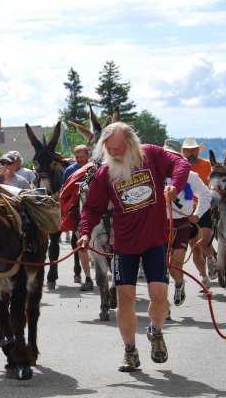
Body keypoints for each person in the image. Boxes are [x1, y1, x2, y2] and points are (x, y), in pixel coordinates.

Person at [77, 122, 190, 372]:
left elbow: (181, 164)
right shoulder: (105, 172)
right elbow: (92, 208)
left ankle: (155, 331)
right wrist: (85, 233)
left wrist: (175, 185)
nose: (113, 153)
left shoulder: (152, 155)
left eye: (117, 148)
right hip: (124, 245)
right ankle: (130, 351)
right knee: (125, 298)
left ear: (131, 144)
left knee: (159, 297)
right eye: (108, 149)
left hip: (155, 241)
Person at [162, 139, 211, 307]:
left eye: (171, 155)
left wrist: (197, 214)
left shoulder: (190, 176)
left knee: (175, 265)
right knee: (160, 265)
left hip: (182, 224)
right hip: (159, 225)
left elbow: (206, 195)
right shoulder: (155, 174)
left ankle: (179, 283)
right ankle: (163, 303)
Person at [181, 136, 215, 287]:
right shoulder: (180, 166)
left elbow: (214, 184)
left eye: (193, 150)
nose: (191, 153)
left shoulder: (207, 165)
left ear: (198, 151)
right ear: (183, 152)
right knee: (194, 248)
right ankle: (204, 277)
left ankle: (211, 260)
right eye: (188, 151)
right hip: (187, 211)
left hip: (204, 207)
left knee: (204, 240)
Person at [61, 145, 93, 290]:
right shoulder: (70, 170)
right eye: (77, 157)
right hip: (78, 209)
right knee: (80, 242)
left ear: (88, 156)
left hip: (97, 207)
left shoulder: (95, 168)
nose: (80, 160)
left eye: (82, 157)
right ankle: (88, 277)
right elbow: (65, 191)